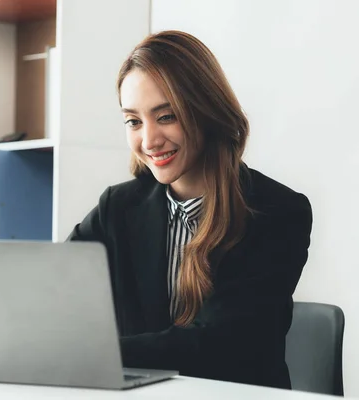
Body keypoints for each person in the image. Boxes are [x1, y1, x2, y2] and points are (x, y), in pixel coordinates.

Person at [67, 30, 313, 389]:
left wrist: (92, 353)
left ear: (206, 111)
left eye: (166, 116)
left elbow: (218, 344)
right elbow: (54, 294)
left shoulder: (276, 212)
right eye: (133, 121)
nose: (149, 140)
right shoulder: (117, 209)